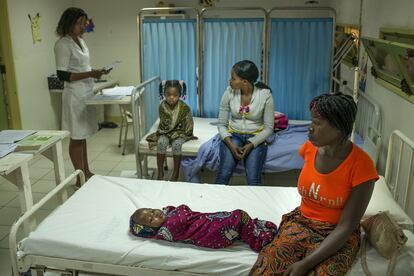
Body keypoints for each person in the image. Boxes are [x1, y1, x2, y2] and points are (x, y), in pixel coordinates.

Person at [250, 93, 379, 276]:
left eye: (317, 123)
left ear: (339, 127)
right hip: (301, 222)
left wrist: (305, 263)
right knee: (268, 267)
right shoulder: (309, 149)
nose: (310, 129)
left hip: (337, 234)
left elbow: (346, 226)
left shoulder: (362, 165)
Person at [54, 7, 110, 187]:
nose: (83, 27)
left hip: (86, 92)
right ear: (68, 23)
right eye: (79, 23)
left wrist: (97, 72)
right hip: (74, 95)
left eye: (83, 23)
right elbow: (63, 75)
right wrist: (90, 73)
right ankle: (79, 177)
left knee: (83, 136)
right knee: (76, 137)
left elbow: (83, 67)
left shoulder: (80, 41)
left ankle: (86, 171)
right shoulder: (62, 44)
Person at [215, 60, 275, 185]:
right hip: (233, 136)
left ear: (244, 82)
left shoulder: (265, 95)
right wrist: (230, 144)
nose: (229, 81)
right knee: (223, 176)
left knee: (253, 180)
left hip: (256, 137)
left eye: (233, 78)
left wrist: (252, 144)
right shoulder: (228, 93)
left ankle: (254, 205)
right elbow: (221, 124)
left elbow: (269, 128)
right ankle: (216, 203)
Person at [129, 204, 278, 252]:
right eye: (151, 219)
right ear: (149, 229)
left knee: (234, 220)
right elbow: (183, 213)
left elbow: (181, 213)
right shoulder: (166, 230)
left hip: (207, 223)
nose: (156, 214)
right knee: (239, 216)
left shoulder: (167, 218)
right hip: (211, 234)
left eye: (153, 211)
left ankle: (249, 231)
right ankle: (259, 241)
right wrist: (178, 208)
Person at [146, 80, 196, 181]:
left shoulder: (184, 107)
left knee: (176, 145)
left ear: (179, 95)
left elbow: (189, 123)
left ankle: (176, 172)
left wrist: (182, 133)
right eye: (168, 95)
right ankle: (160, 172)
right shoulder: (162, 107)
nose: (171, 97)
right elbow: (164, 124)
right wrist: (168, 132)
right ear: (164, 94)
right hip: (165, 132)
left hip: (181, 132)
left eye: (175, 95)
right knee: (161, 143)